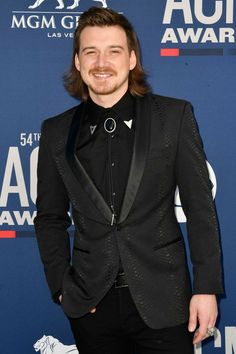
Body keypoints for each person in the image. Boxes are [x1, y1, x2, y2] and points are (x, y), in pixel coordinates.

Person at [34, 6, 224, 354]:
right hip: (91, 306)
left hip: (165, 301)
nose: (101, 62)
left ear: (132, 59)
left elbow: (200, 208)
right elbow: (49, 218)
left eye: (113, 51)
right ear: (78, 62)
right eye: (90, 51)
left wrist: (206, 288)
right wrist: (62, 288)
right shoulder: (56, 132)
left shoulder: (174, 116)